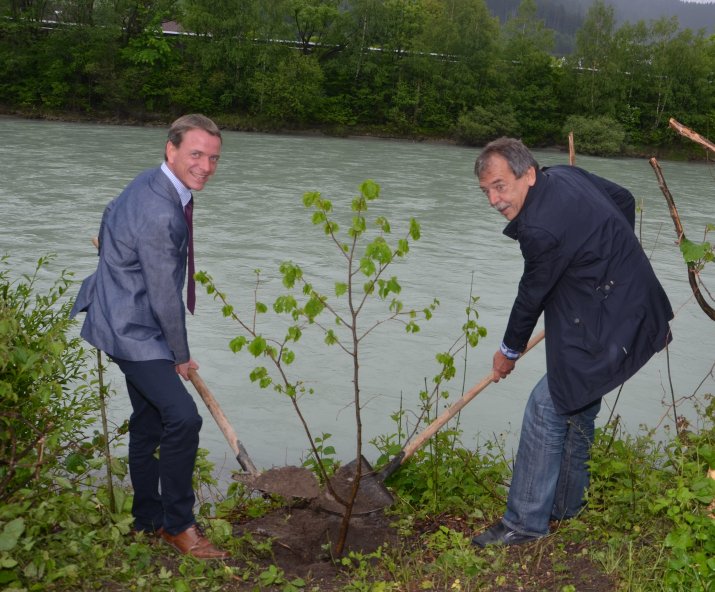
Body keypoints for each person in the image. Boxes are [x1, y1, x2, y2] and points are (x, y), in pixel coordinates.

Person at [470, 137, 673, 547]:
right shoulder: (563, 175)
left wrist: (508, 352)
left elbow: (531, 295)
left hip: (614, 318)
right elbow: (624, 199)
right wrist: (606, 260)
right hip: (632, 300)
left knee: (547, 405)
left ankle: (524, 523)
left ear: (528, 174)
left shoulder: (539, 228)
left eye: (500, 186)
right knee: (576, 400)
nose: (494, 200)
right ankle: (565, 505)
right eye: (486, 191)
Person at [71, 114, 229, 559]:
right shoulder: (162, 212)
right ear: (171, 149)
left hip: (119, 310)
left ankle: (147, 519)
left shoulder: (150, 182)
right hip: (132, 328)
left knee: (150, 421)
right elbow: (163, 295)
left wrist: (116, 257)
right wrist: (180, 355)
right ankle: (179, 526)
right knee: (183, 418)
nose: (206, 166)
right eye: (196, 154)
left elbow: (109, 214)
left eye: (214, 158)